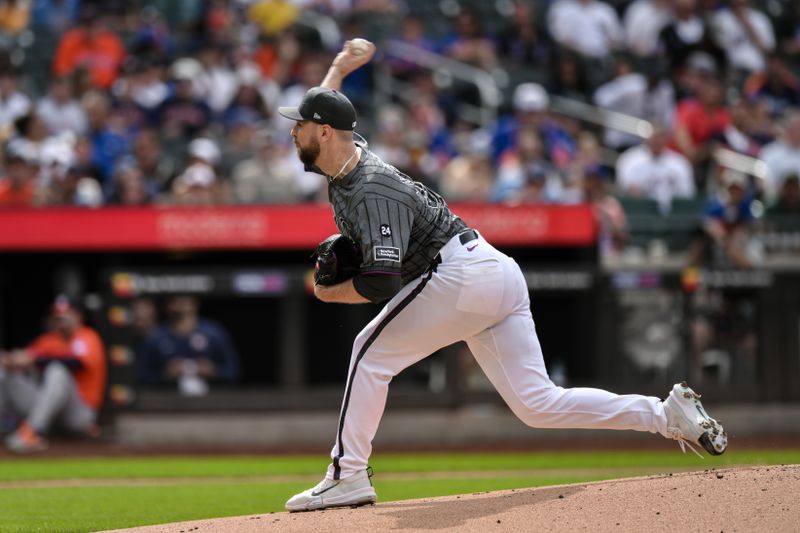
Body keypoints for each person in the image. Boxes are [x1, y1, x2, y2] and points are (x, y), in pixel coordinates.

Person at [279, 40, 728, 513]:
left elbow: (382, 284)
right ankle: (666, 415)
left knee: (367, 354)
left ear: (324, 133)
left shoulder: (371, 188)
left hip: (457, 274)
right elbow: (326, 108)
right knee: (539, 404)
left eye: (299, 126)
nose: (292, 132)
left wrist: (329, 294)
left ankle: (347, 475)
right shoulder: (342, 153)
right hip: (489, 271)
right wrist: (338, 67)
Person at [0, 295, 106, 453]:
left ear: (78, 315)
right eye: (57, 314)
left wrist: (36, 361)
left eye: (65, 313)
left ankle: (32, 433)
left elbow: (75, 363)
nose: (60, 317)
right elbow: (24, 357)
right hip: (50, 413)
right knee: (6, 373)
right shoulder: (49, 340)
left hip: (79, 413)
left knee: (58, 371)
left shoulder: (87, 337)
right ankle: (9, 426)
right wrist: (9, 359)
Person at [138, 295, 240, 396]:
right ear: (167, 305)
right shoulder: (156, 337)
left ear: (195, 303)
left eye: (184, 300)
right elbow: (141, 376)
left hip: (212, 401)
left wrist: (213, 371)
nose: (180, 304)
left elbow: (232, 371)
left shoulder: (214, 333)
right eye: (174, 300)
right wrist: (165, 375)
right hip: (167, 402)